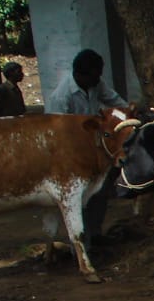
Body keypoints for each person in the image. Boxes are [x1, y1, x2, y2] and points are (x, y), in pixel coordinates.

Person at [45, 48, 130, 243]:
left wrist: (129, 116)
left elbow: (116, 101)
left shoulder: (96, 84)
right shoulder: (61, 97)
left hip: (95, 149)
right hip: (72, 154)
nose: (98, 79)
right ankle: (78, 240)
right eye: (94, 75)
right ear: (80, 75)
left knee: (99, 192)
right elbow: (57, 134)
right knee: (77, 198)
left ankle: (96, 233)